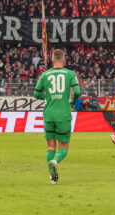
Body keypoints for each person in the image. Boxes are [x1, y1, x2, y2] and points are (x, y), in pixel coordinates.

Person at [33, 48, 80, 184]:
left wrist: (46, 97)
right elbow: (77, 91)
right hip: (63, 114)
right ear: (64, 59)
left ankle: (53, 177)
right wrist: (73, 101)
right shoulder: (70, 74)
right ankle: (55, 161)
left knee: (50, 146)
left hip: (49, 114)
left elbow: (36, 93)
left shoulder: (45, 74)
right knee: (63, 147)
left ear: (52, 59)